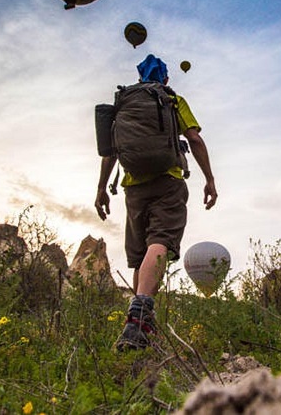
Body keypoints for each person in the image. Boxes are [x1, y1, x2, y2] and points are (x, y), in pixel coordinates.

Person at [95, 54, 218, 351]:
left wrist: (101, 188)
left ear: (139, 76)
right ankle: (139, 321)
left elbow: (110, 151)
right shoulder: (171, 99)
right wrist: (210, 179)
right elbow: (195, 139)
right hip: (168, 179)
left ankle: (137, 326)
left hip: (132, 185)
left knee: (139, 257)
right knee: (160, 242)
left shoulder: (124, 101)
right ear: (165, 78)